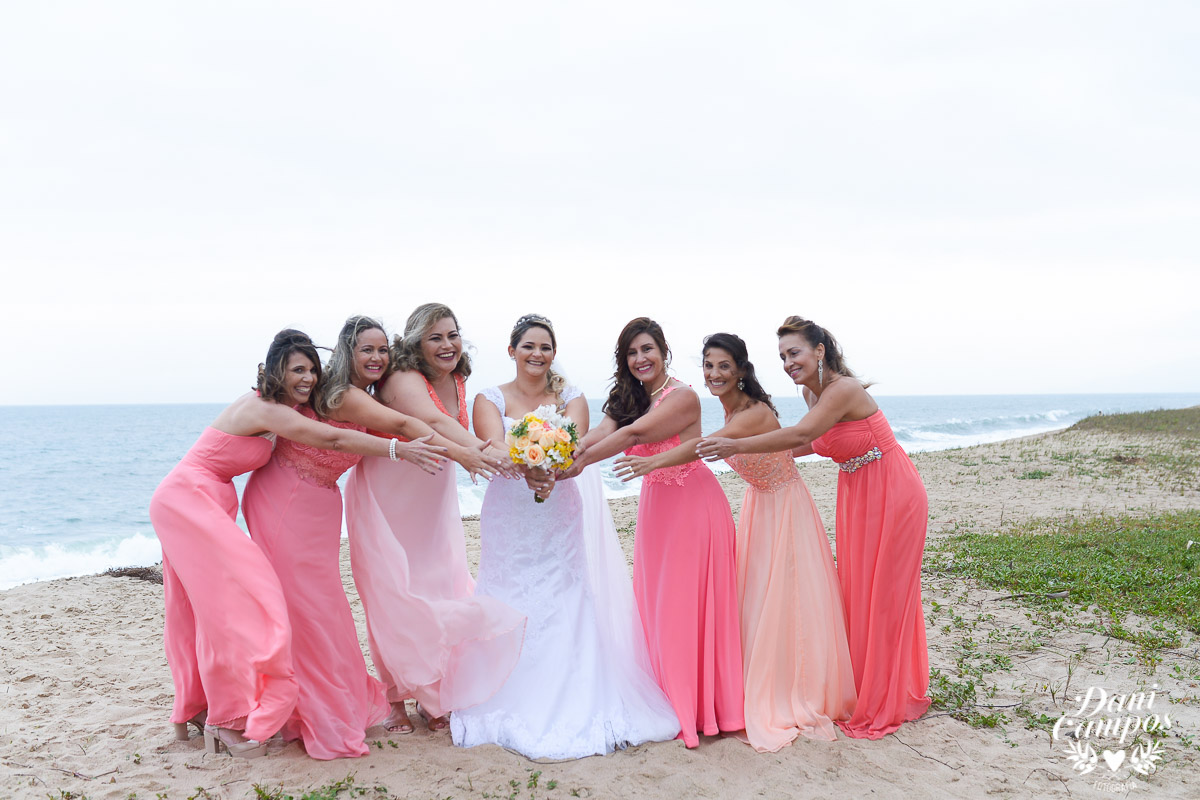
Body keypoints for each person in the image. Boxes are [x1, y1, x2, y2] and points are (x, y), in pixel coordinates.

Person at [149, 329, 435, 759]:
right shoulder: (264, 408)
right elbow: (331, 438)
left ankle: (191, 710)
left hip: (206, 498)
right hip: (186, 498)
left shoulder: (283, 407)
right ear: (275, 371)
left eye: (312, 370)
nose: (307, 378)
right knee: (235, 606)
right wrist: (398, 449)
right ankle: (225, 719)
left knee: (196, 609)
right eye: (296, 370)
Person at [449, 313, 679, 759]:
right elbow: (494, 444)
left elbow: (573, 444)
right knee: (506, 587)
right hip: (509, 509)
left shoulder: (571, 397)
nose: (537, 354)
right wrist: (528, 466)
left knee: (563, 589)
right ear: (512, 350)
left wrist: (547, 468)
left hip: (558, 505)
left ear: (554, 353)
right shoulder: (488, 397)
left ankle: (574, 689)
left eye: (545, 347)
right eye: (528, 346)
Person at [615, 333, 856, 751]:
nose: (715, 374)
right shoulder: (734, 409)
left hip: (784, 506)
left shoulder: (750, 412)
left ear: (741, 370)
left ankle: (793, 686)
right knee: (757, 600)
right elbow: (778, 445)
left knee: (786, 599)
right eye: (709, 366)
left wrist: (651, 461)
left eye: (724, 366)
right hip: (758, 504)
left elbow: (703, 446)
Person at [697, 316, 930, 740]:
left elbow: (801, 432)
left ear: (819, 351)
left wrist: (735, 443)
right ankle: (863, 685)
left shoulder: (843, 390)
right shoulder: (811, 392)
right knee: (858, 592)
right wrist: (765, 461)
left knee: (886, 597)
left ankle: (886, 697)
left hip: (893, 491)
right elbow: (810, 442)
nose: (789, 363)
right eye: (782, 356)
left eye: (795, 353)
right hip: (856, 493)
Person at [241, 325, 448, 760]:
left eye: (383, 350)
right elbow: (351, 435)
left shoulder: (348, 393)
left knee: (326, 608)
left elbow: (401, 420)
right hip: (283, 498)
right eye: (366, 349)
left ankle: (321, 706)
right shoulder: (339, 395)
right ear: (347, 351)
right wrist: (446, 452)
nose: (377, 357)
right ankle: (310, 713)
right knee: (305, 611)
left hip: (321, 503)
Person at [337, 309, 525, 733]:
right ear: (415, 344)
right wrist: (473, 454)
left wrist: (509, 455)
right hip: (389, 495)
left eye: (452, 335)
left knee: (441, 589)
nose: (447, 345)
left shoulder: (457, 379)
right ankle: (394, 699)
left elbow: (467, 433)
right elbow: (435, 422)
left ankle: (434, 693)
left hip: (433, 498)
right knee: (392, 596)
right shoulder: (403, 378)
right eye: (435, 338)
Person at [566, 317, 744, 749]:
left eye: (647, 349)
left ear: (664, 351)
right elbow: (604, 430)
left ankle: (698, 709)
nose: (640, 358)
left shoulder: (682, 397)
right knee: (657, 605)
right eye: (631, 352)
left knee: (683, 606)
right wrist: (564, 450)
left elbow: (636, 432)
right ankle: (665, 697)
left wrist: (579, 464)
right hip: (656, 507)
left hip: (693, 505)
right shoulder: (629, 395)